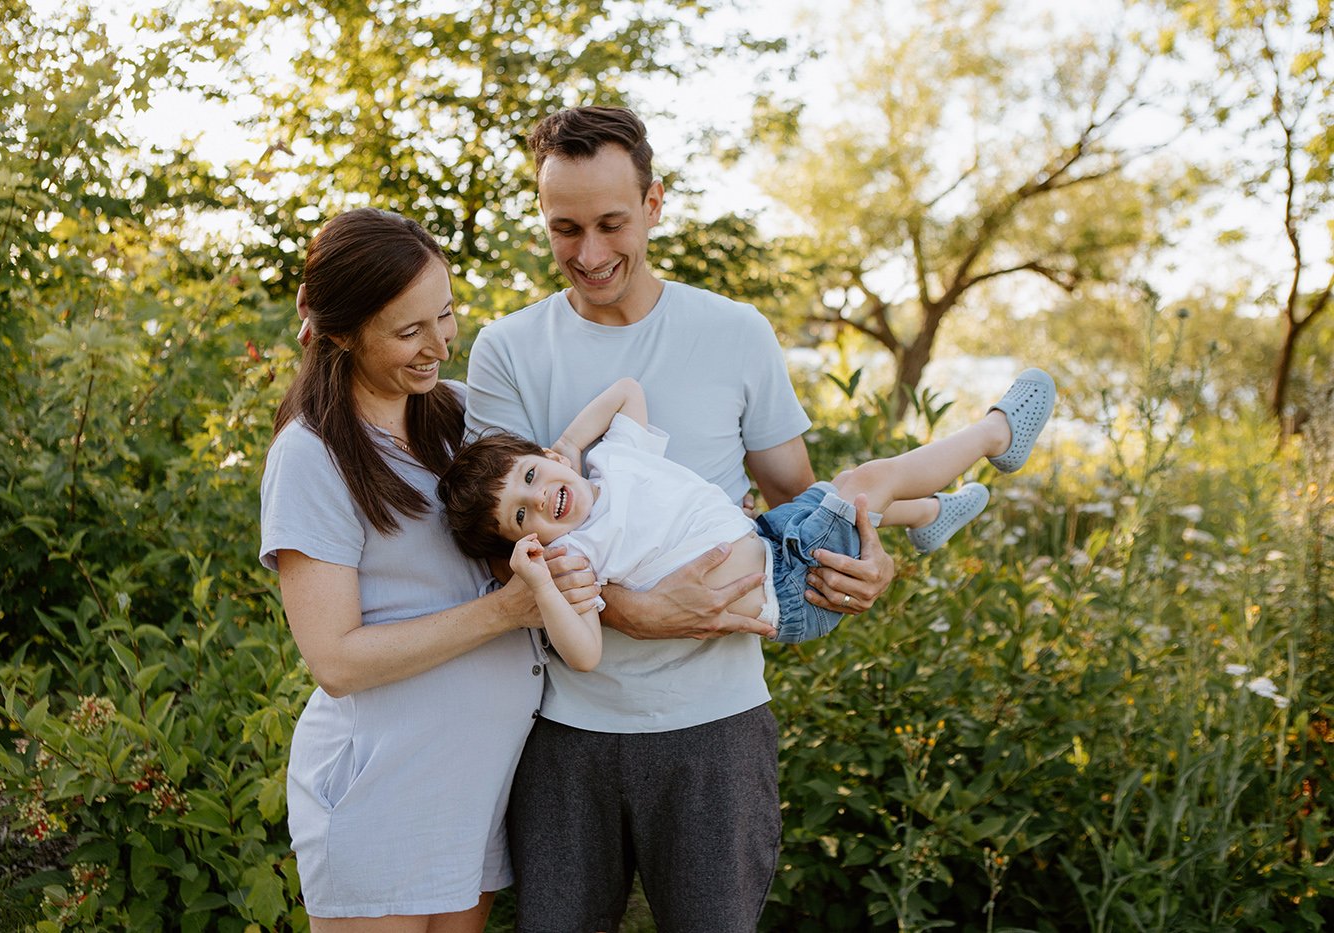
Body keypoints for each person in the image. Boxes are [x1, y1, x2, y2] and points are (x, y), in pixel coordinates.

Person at [462, 106, 896, 932]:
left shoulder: (734, 333)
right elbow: (495, 554)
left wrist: (865, 564)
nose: (588, 254)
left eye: (611, 223)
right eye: (565, 228)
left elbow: (797, 504)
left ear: (656, 203)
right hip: (561, 733)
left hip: (717, 731)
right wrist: (644, 613)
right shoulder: (507, 350)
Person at [258, 207, 598, 932]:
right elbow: (336, 660)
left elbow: (571, 503)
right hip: (382, 796)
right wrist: (509, 610)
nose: (440, 344)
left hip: (471, 793)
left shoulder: (463, 419)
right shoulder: (312, 455)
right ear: (341, 332)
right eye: (408, 331)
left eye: (444, 314)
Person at [442, 368, 1053, 653]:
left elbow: (627, 390)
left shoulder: (612, 458)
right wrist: (540, 582)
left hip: (770, 534)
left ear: (545, 457)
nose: (539, 497)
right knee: (864, 483)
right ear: (530, 542)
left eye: (530, 475)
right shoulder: (576, 554)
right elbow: (584, 654)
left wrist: (573, 444)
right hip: (785, 590)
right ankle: (995, 436)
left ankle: (929, 515)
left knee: (842, 495)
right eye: (522, 516)